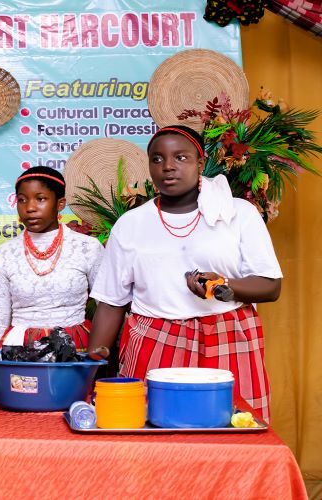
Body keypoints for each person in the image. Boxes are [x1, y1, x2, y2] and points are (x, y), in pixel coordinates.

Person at [88, 125, 282, 421]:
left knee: (233, 429)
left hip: (228, 335)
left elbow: (271, 286)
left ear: (200, 163)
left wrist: (223, 286)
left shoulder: (238, 213)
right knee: (151, 431)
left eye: (180, 157)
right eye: (157, 159)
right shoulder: (131, 224)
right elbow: (111, 303)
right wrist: (92, 369)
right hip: (155, 339)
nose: (167, 166)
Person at [0, 167, 104, 395]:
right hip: (21, 351)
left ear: (60, 204)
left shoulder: (87, 248)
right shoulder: (4, 254)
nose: (30, 208)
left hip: (75, 349)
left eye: (40, 199)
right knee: (24, 409)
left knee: (72, 405)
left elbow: (107, 307)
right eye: (22, 200)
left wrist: (101, 351)